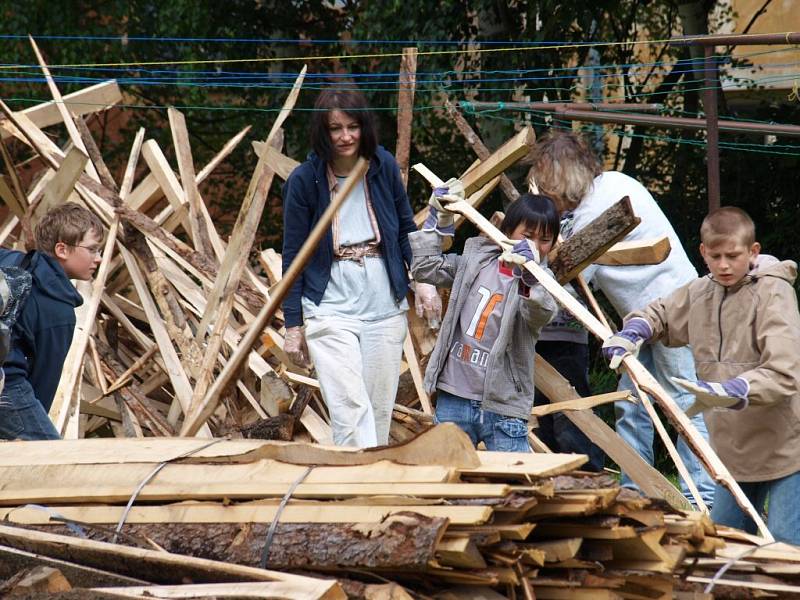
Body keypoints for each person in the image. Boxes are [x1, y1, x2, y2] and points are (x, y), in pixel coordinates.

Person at [527, 130, 715, 506]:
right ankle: (636, 491)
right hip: (638, 321)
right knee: (631, 403)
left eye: (547, 184)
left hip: (675, 309)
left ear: (561, 178)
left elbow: (573, 277)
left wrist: (530, 276)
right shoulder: (601, 193)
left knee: (682, 402)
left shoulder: (602, 203)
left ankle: (704, 499)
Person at [603, 207, 800, 544]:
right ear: (703, 253)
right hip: (730, 452)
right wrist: (634, 330)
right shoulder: (701, 293)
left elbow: (785, 371)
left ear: (753, 252)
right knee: (724, 543)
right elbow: (662, 313)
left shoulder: (773, 293)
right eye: (716, 256)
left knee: (784, 548)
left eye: (733, 256)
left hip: (785, 449)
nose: (724, 265)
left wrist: (737, 388)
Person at [281, 88, 434, 448]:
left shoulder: (381, 167)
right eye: (336, 128)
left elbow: (405, 229)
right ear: (323, 131)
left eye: (352, 126)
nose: (346, 136)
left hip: (383, 301)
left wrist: (424, 283)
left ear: (364, 126)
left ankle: (369, 486)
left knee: (378, 407)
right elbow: (293, 256)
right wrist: (293, 324)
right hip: (330, 302)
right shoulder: (304, 181)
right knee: (349, 406)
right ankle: (351, 484)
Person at [410, 193, 558, 452]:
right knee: (446, 478)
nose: (535, 245)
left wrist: (530, 279)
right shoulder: (475, 261)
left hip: (503, 405)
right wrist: (438, 219)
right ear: (508, 230)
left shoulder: (542, 281)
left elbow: (541, 313)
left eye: (544, 240)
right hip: (454, 395)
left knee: (516, 484)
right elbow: (425, 268)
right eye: (528, 235)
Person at [0, 202, 103, 440]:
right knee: (47, 451)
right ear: (62, 250)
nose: (98, 258)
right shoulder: (58, 311)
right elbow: (42, 383)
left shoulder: (12, 261)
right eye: (92, 249)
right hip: (8, 386)